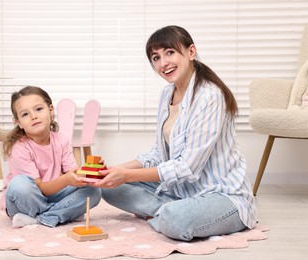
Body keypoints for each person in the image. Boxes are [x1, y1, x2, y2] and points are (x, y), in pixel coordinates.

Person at [92, 25, 256, 241]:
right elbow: (158, 155)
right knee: (109, 188)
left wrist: (127, 175)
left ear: (191, 52)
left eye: (170, 52)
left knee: (175, 219)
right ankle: (171, 211)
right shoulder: (166, 95)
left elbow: (188, 167)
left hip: (222, 195)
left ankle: (171, 214)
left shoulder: (209, 96)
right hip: (180, 190)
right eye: (156, 57)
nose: (163, 63)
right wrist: (113, 170)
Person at [0, 86, 101, 228]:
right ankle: (61, 213)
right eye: (25, 114)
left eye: (39, 109)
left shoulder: (61, 140)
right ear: (18, 123)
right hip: (23, 201)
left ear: (51, 110)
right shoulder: (20, 148)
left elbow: (72, 174)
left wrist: (92, 172)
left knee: (94, 191)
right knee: (19, 184)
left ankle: (39, 219)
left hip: (52, 195)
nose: (34, 116)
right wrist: (66, 180)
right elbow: (40, 188)